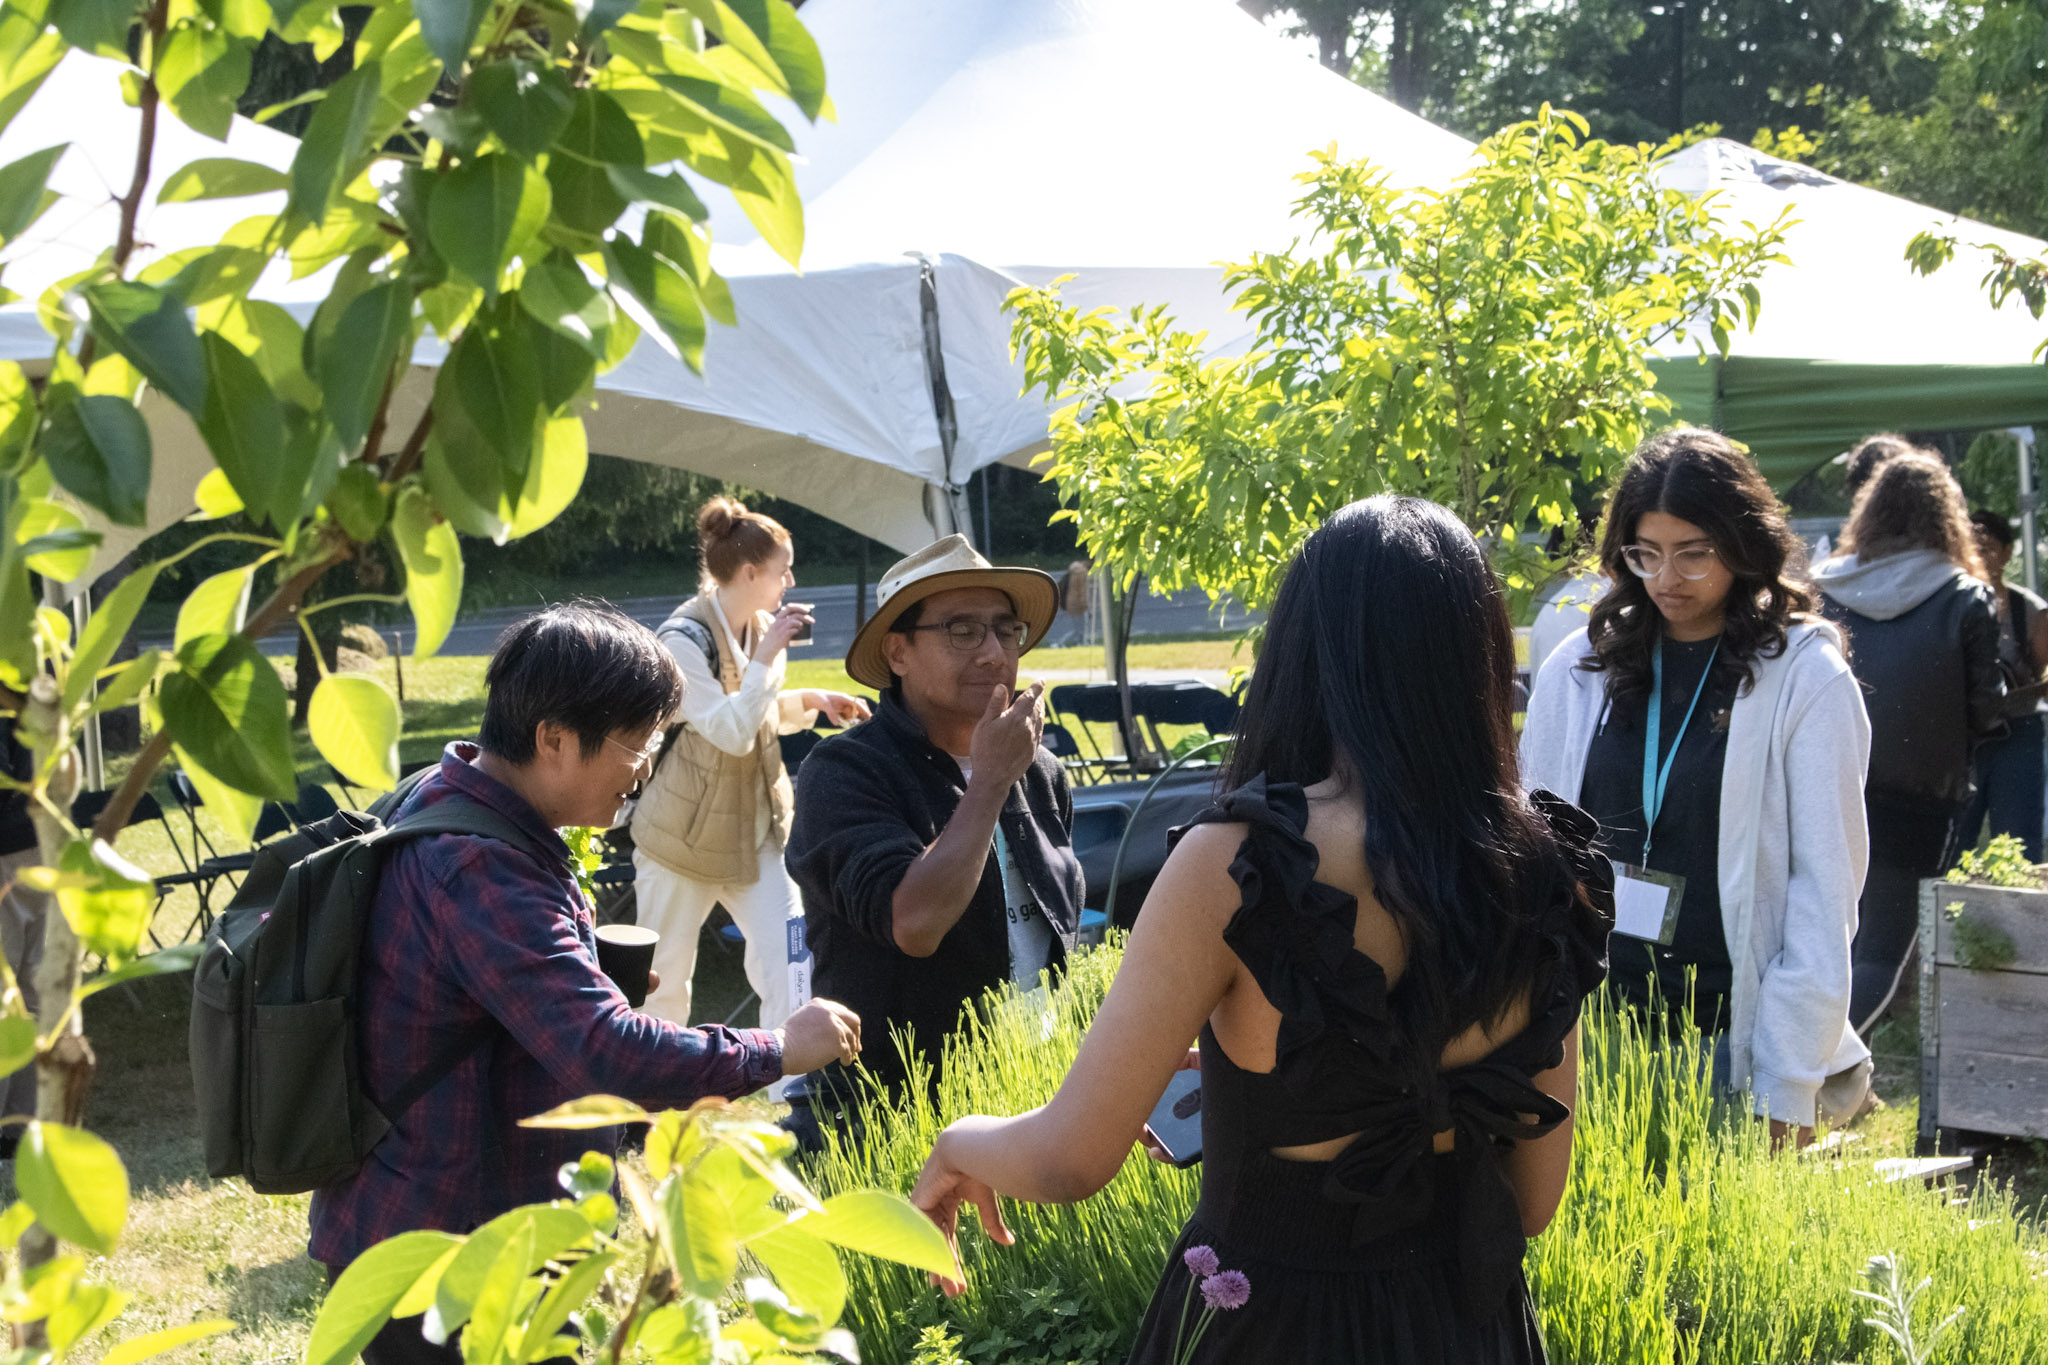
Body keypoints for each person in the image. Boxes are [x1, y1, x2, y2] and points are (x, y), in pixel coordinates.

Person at [910, 498, 1613, 1363]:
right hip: (1464, 1320)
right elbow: (1532, 1201)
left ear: (1304, 651)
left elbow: (1069, 1158)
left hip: (1272, 1324)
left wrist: (956, 1143)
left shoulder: (1240, 861)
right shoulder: (1549, 870)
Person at [309, 602, 863, 1364]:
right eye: (638, 744)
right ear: (554, 739)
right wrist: (778, 1046)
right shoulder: (482, 866)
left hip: (438, 1218)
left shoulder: (447, 794)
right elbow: (606, 1052)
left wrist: (577, 961)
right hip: (453, 1254)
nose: (644, 769)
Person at [1522, 429, 1872, 1146]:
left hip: (1727, 1039)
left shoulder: (1805, 677)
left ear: (1744, 548)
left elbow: (1823, 894)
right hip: (1588, 1031)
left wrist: (1788, 1080)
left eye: (1694, 553)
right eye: (1644, 554)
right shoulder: (1580, 665)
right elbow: (1530, 841)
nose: (1666, 579)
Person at [786, 535, 1080, 1106]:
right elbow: (914, 924)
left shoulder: (1039, 770)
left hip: (1032, 1091)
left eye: (1006, 629)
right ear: (897, 653)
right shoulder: (844, 771)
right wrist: (990, 782)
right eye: (962, 631)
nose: (994, 653)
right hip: (896, 1112)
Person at [629, 497, 869, 1034]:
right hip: (680, 841)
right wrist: (766, 661)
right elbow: (730, 733)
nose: (790, 580)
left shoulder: (763, 628)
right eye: (783, 570)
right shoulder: (680, 640)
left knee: (792, 965)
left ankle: (792, 1099)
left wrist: (809, 700)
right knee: (663, 983)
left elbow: (754, 711)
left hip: (756, 830)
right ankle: (651, 1112)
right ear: (750, 571)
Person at [1816, 455, 2005, 1031]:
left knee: (1817, 938)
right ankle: (1824, 1076)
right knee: (1879, 950)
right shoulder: (1966, 596)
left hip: (1823, 781)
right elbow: (1987, 710)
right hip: (1921, 794)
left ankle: (1814, 1075)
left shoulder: (1822, 586)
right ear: (1948, 516)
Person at [1959, 508, 2048, 861]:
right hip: (1964, 736)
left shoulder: (2032, 611)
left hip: (2019, 733)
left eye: (1990, 546)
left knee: (2019, 844)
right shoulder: (1954, 606)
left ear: (2008, 551)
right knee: (1954, 843)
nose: (1980, 554)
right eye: (1973, 545)